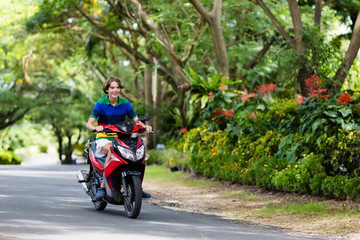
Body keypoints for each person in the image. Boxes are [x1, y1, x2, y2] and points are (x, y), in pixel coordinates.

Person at [86, 76, 152, 199]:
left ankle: (138, 187)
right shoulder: (100, 104)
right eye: (112, 88)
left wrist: (145, 126)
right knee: (113, 149)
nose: (115, 90)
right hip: (104, 138)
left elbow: (136, 120)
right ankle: (102, 186)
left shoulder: (125, 104)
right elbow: (89, 123)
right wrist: (96, 128)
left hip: (121, 137)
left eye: (117, 87)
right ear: (107, 90)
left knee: (139, 152)